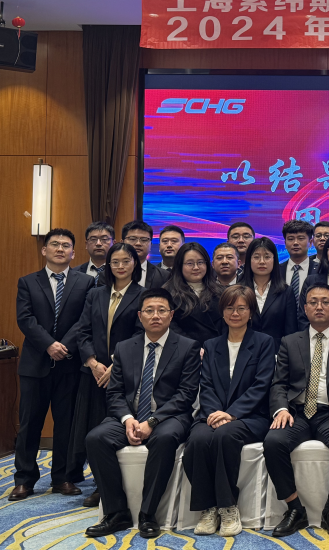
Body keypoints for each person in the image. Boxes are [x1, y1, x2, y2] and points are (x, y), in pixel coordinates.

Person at [84, 289, 201, 538]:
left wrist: (152, 422)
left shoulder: (187, 347)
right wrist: (128, 420)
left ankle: (148, 514)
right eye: (149, 311)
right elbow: (114, 394)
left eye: (161, 310)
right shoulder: (125, 348)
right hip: (130, 415)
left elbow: (186, 395)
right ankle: (117, 512)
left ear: (171, 315)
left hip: (169, 416)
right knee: (96, 438)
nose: (155, 316)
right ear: (140, 316)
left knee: (164, 438)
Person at [264, 283, 329, 538]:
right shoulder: (289, 341)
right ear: (305, 309)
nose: (319, 307)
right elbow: (279, 384)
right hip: (296, 413)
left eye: (325, 302)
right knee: (273, 442)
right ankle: (295, 508)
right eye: (313, 302)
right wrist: (281, 409)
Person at [184, 285, 276, 537]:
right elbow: (206, 384)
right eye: (229, 308)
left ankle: (228, 506)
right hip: (213, 413)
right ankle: (208, 507)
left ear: (251, 311)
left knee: (225, 436)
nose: (235, 313)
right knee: (197, 439)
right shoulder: (211, 345)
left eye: (241, 308)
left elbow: (262, 385)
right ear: (222, 312)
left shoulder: (264, 343)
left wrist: (232, 413)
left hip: (250, 416)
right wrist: (217, 413)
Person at [11, 228, 95, 501]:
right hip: (34, 364)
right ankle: (24, 479)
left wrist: (63, 346)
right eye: (55, 244)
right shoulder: (28, 282)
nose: (60, 249)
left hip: (69, 364)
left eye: (66, 245)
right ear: (44, 249)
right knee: (29, 424)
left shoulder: (86, 282)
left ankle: (62, 477)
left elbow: (85, 320)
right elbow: (25, 319)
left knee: (66, 425)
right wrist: (49, 344)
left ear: (73, 252)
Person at [68, 242, 144, 508]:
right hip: (93, 373)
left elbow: (141, 334)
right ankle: (98, 484)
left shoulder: (143, 295)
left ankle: (113, 487)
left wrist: (115, 366)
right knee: (91, 428)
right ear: (109, 265)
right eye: (115, 262)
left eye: (126, 261)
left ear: (135, 263)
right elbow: (83, 330)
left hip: (125, 375)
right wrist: (92, 362)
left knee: (115, 428)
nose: (120, 266)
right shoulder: (95, 294)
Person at [241, 237, 298, 356]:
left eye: (267, 257)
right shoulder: (238, 290)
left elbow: (290, 330)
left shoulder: (286, 292)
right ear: (249, 260)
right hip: (243, 353)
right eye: (256, 257)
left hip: (276, 354)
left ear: (274, 260)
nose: (262, 262)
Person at [164, 242, 224, 346]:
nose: (196, 267)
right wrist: (192, 348)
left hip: (218, 349)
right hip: (185, 349)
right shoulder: (167, 293)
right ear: (179, 265)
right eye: (190, 263)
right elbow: (170, 327)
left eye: (200, 262)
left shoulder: (221, 291)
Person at [279, 220, 317, 316]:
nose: (295, 243)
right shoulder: (276, 271)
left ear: (310, 242)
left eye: (301, 238)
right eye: (291, 239)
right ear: (285, 243)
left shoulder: (321, 270)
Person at [122, 221, 170, 289]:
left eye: (144, 240)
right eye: (132, 239)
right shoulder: (110, 272)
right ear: (122, 243)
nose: (138, 243)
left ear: (151, 245)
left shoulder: (164, 276)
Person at [73, 221, 115, 286]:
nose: (98, 243)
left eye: (104, 239)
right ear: (86, 244)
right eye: (93, 239)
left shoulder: (119, 271)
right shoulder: (74, 272)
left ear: (114, 243)